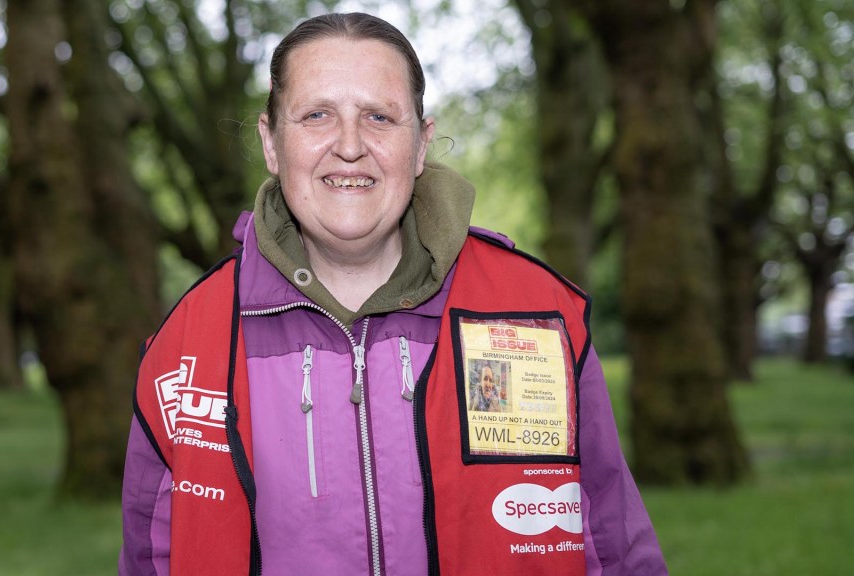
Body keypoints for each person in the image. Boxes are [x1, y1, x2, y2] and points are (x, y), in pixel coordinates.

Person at [120, 12, 667, 576]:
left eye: (379, 117)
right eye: (316, 115)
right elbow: (149, 555)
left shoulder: (533, 310)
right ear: (272, 143)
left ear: (421, 143)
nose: (350, 146)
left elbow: (613, 542)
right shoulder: (191, 338)